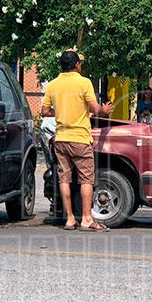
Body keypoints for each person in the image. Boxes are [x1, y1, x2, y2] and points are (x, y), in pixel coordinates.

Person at [41, 50, 114, 232]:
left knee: (64, 179)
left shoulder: (53, 85)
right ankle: (87, 219)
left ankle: (70, 219)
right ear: (76, 65)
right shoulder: (84, 83)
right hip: (80, 139)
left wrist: (62, 112)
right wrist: (104, 109)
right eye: (80, 63)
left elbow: (44, 111)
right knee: (86, 180)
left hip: (61, 139)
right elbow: (96, 109)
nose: (81, 66)